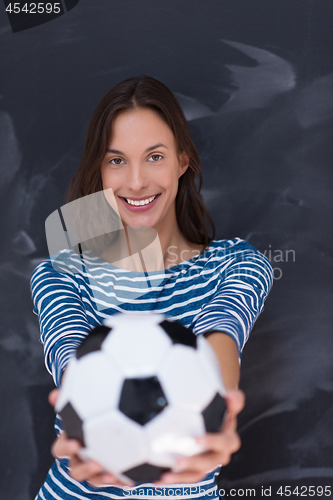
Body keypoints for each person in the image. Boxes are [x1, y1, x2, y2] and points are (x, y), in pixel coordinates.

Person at [30, 76, 273, 500]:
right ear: (99, 170)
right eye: (117, 160)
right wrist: (84, 428)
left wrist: (221, 413)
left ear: (182, 160)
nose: (137, 181)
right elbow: (69, 352)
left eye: (155, 156)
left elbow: (222, 335)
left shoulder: (237, 264)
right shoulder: (62, 272)